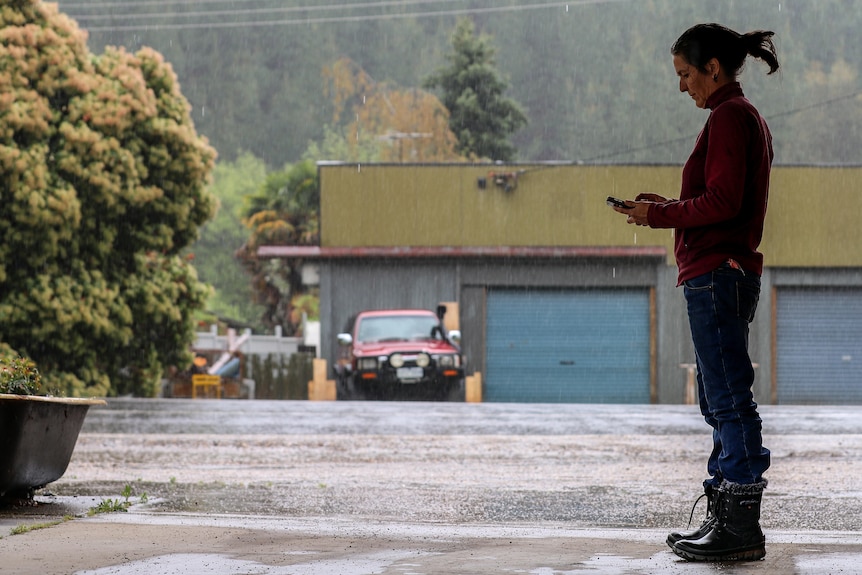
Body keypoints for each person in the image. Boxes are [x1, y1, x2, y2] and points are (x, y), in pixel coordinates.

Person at [612, 23, 780, 562]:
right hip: (722, 271)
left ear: (713, 68)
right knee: (719, 398)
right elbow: (716, 200)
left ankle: (738, 526)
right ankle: (724, 515)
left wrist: (660, 215)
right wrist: (668, 206)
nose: (682, 86)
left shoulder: (731, 117)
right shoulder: (737, 118)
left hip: (716, 275)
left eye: (686, 74)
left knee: (728, 398)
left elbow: (724, 203)